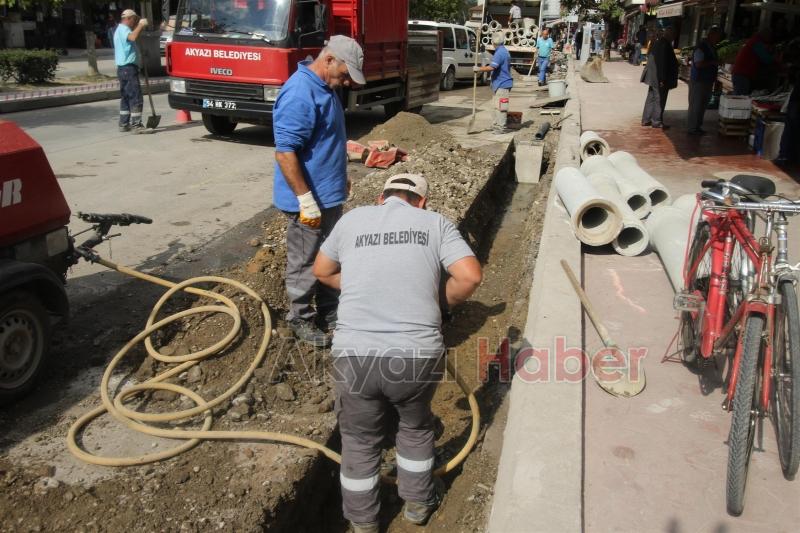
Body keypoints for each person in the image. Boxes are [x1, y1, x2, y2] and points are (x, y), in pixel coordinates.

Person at [313, 173, 482, 533]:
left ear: (381, 197)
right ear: (422, 202)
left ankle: (363, 522)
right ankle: (418, 505)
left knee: (359, 440)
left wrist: (360, 285)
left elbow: (321, 271)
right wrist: (439, 302)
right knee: (416, 429)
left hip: (354, 356)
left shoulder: (352, 220)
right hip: (416, 355)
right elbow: (469, 277)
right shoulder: (434, 223)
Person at [273, 35, 366, 346]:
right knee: (306, 259)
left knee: (332, 255)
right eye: (345, 74)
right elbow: (285, 153)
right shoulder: (300, 93)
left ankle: (329, 311)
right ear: (328, 60)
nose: (346, 82)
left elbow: (327, 141)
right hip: (308, 202)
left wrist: (340, 175)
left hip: (328, 194)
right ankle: (300, 316)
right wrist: (305, 200)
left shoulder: (326, 88)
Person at [114, 9, 148, 133]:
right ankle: (136, 125)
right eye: (134, 19)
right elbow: (133, 37)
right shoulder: (124, 29)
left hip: (123, 69)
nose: (135, 22)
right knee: (135, 96)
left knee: (126, 96)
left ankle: (124, 123)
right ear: (129, 18)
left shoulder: (119, 30)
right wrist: (141, 25)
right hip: (128, 68)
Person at [474, 32, 513, 134]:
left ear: (493, 42)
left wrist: (479, 69)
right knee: (495, 106)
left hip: (502, 84)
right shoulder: (503, 51)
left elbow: (492, 67)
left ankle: (501, 127)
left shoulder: (499, 53)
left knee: (501, 108)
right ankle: (496, 125)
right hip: (500, 84)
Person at [641, 26, 679, 129]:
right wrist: (662, 78)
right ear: (669, 34)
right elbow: (662, 63)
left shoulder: (659, 42)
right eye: (673, 35)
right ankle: (656, 121)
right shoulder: (664, 44)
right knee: (659, 99)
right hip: (658, 77)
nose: (674, 37)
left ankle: (646, 119)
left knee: (651, 97)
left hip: (653, 76)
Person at [687, 27, 722, 135]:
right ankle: (692, 128)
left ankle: (697, 126)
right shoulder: (701, 47)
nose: (718, 39)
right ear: (711, 35)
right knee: (696, 104)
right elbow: (698, 64)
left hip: (707, 80)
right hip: (699, 80)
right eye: (717, 36)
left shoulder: (711, 47)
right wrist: (712, 62)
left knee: (702, 104)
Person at [732, 28, 775, 95]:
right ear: (766, 35)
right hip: (742, 74)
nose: (770, 39)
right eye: (770, 36)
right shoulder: (756, 42)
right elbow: (767, 59)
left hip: (740, 73)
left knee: (739, 97)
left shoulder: (753, 41)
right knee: (740, 97)